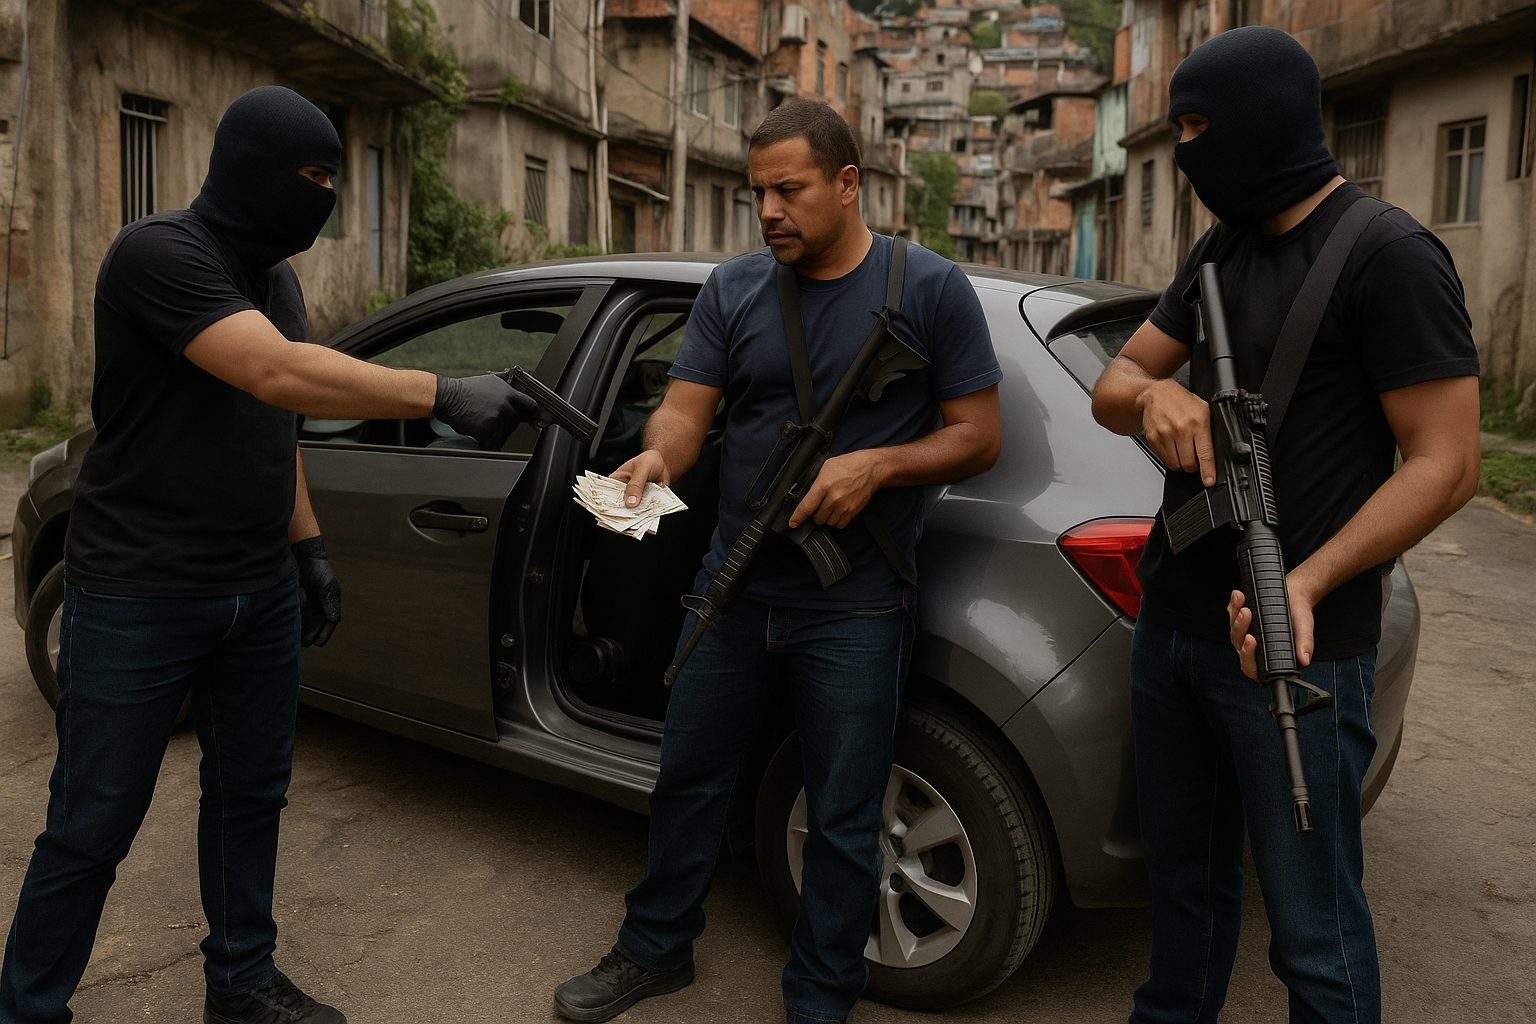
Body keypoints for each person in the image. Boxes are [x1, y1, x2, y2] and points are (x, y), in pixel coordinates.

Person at [0, 86, 533, 1024]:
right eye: (312, 175)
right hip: (139, 593)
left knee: (250, 798)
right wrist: (442, 393)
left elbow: (272, 422)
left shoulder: (277, 278)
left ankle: (241, 983)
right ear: (251, 168)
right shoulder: (160, 254)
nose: (324, 196)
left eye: (333, 177)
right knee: (92, 823)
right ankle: (28, 1008)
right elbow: (274, 370)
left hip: (256, 589)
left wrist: (309, 546)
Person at [553, 97, 1002, 1024]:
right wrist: (658, 456)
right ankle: (655, 948)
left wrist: (878, 465)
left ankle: (821, 993)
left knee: (843, 811)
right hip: (732, 586)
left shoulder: (929, 289)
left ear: (847, 183)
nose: (768, 211)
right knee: (688, 778)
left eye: (788, 190)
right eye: (757, 193)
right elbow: (687, 408)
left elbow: (979, 436)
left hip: (856, 602)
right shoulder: (735, 289)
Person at [1090, 27, 1481, 1024]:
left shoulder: (1391, 254)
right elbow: (1114, 381)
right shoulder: (1219, 248)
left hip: (1298, 643)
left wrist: (1305, 581)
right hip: (1175, 627)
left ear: (1261, 122)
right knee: (1182, 897)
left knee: (1315, 934)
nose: (1186, 154)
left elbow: (1447, 463)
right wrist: (1154, 397)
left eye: (1197, 128)